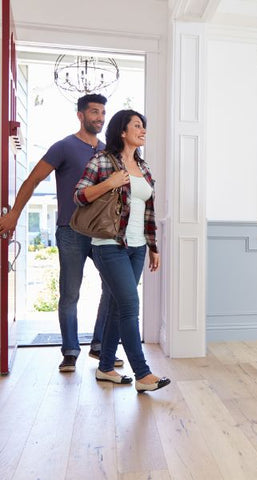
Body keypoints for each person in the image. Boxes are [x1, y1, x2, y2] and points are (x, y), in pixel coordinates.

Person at [0, 93, 123, 372]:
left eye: (103, 113)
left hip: (103, 233)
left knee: (113, 288)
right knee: (70, 293)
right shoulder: (63, 147)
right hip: (70, 230)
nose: (100, 118)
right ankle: (69, 350)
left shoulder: (107, 152)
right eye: (94, 112)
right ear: (80, 115)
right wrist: (15, 214)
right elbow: (33, 179)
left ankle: (100, 346)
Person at [73, 109, 170, 392]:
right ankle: (142, 374)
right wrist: (109, 182)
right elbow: (78, 195)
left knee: (117, 307)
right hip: (109, 246)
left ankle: (105, 368)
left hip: (138, 247)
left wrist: (153, 247)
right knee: (130, 307)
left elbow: (149, 211)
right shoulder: (102, 161)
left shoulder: (145, 167)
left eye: (144, 126)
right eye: (137, 126)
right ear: (122, 131)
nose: (143, 131)